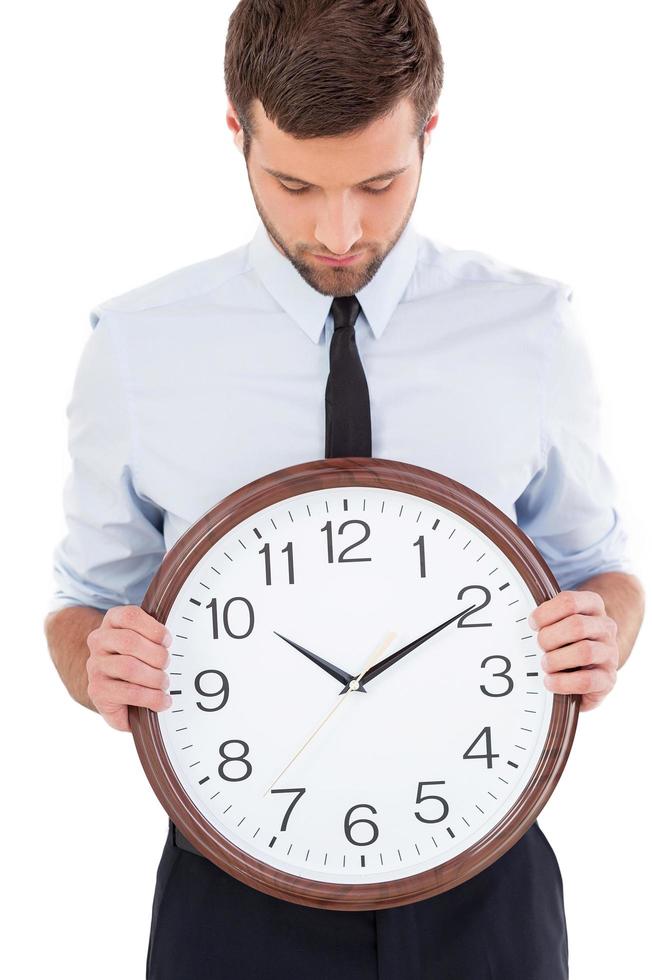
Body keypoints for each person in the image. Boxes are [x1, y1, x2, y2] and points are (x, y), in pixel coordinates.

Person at [44, 1, 645, 978]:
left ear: (427, 131)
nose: (337, 229)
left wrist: (602, 629)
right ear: (235, 129)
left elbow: (598, 573)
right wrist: (93, 659)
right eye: (293, 184)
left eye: (378, 181)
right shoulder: (138, 348)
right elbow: (80, 603)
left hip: (486, 887)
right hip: (231, 901)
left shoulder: (532, 328)